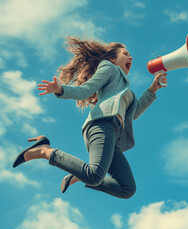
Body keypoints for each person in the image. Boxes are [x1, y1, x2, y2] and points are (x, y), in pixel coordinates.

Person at [13, 37, 167, 199]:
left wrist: (153, 88)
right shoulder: (109, 68)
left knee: (127, 188)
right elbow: (87, 89)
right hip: (102, 126)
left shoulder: (128, 92)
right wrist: (60, 89)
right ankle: (44, 150)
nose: (131, 57)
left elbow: (134, 113)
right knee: (94, 175)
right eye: (125, 54)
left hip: (113, 137)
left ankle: (79, 174)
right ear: (112, 59)